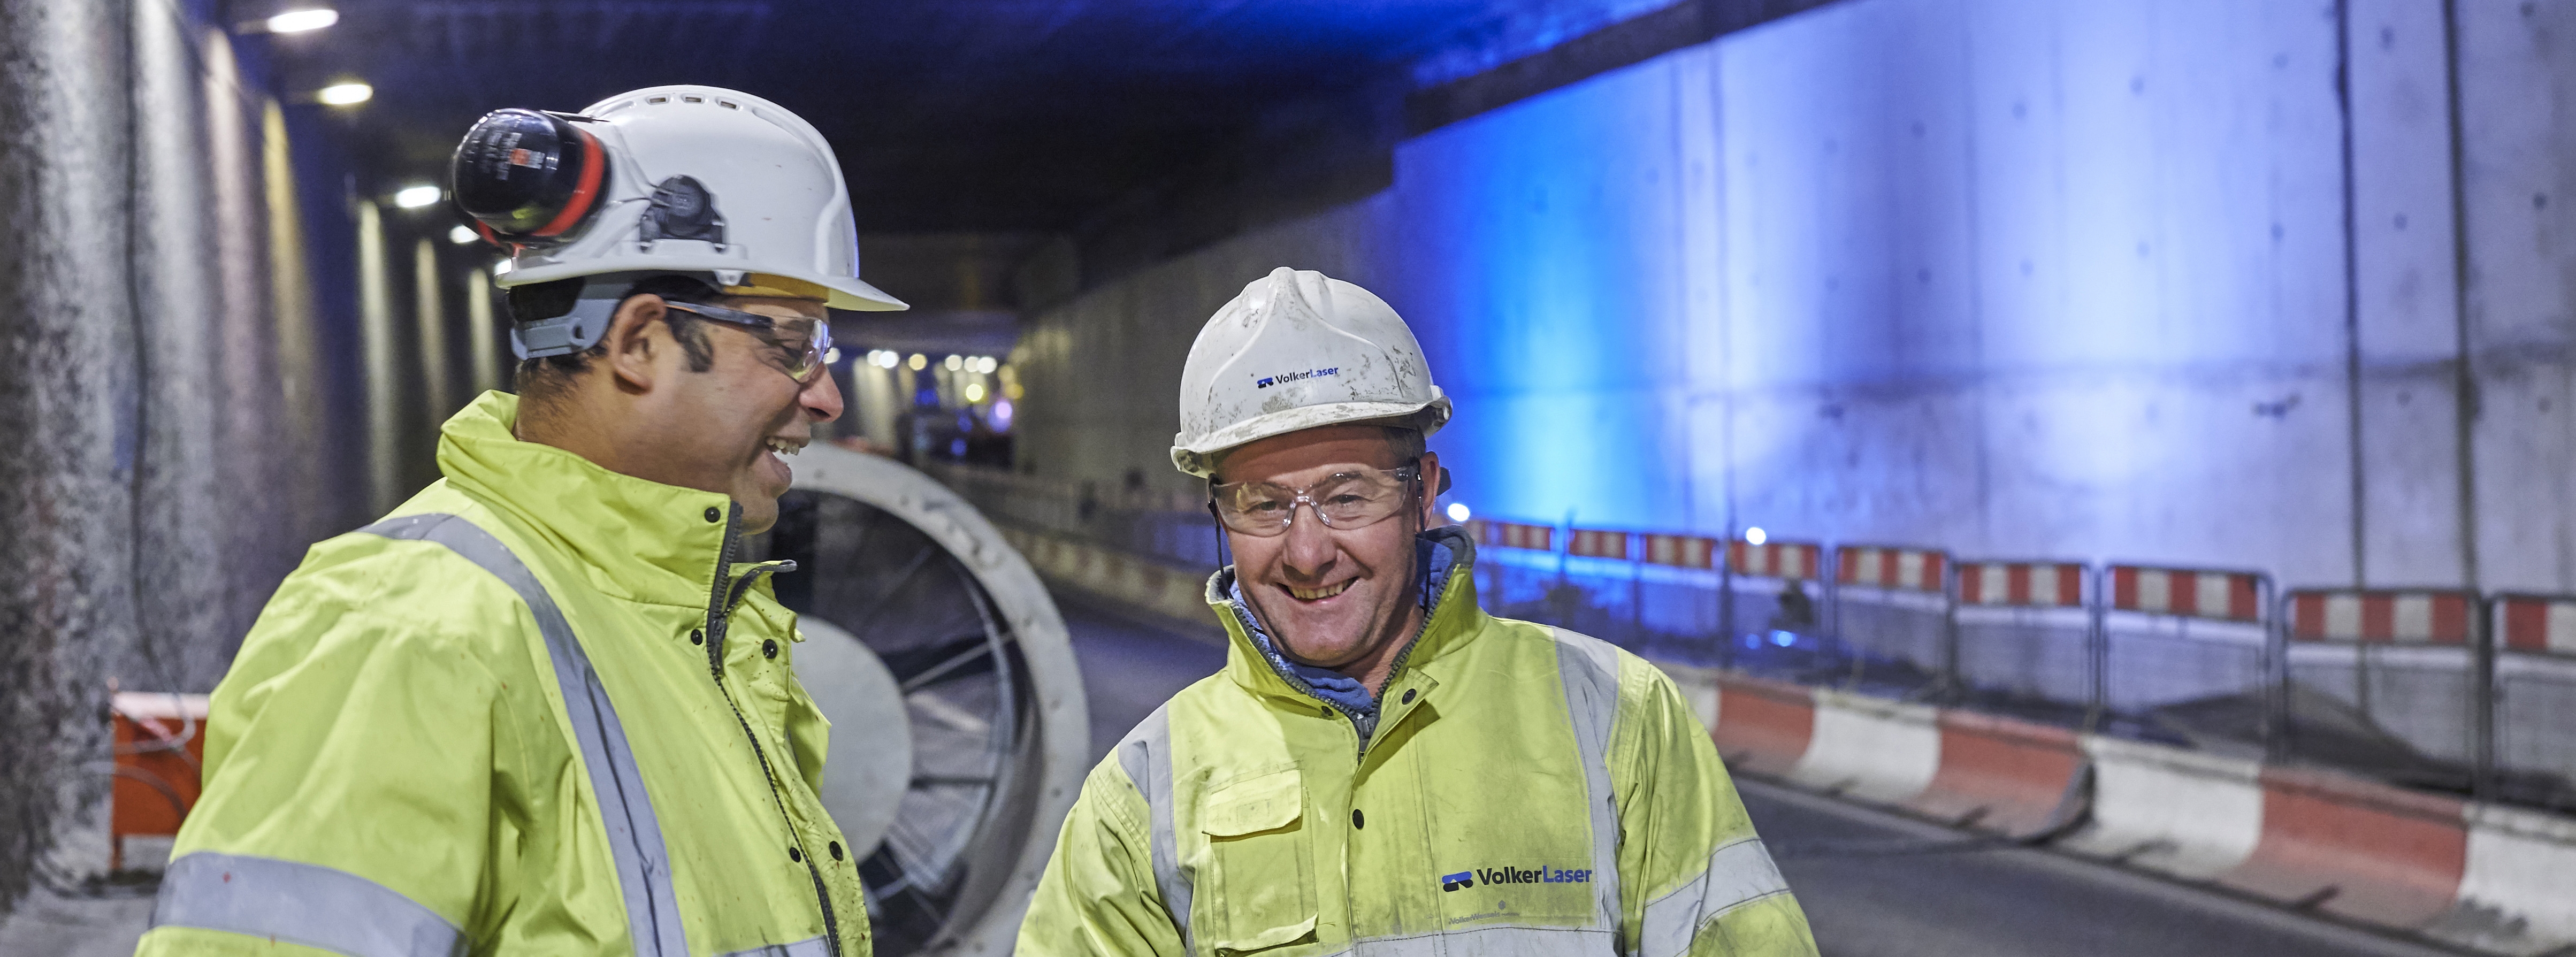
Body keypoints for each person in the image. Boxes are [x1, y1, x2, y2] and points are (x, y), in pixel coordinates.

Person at [136, 86, 905, 956]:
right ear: (642, 341)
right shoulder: (410, 632)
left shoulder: (685, 626)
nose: (829, 396)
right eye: (794, 346)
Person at [1016, 268, 1818, 955]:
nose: (1306, 552)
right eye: (1263, 505)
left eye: (1345, 496)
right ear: (1218, 515)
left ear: (1424, 492)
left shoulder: (1617, 719)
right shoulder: (1143, 796)